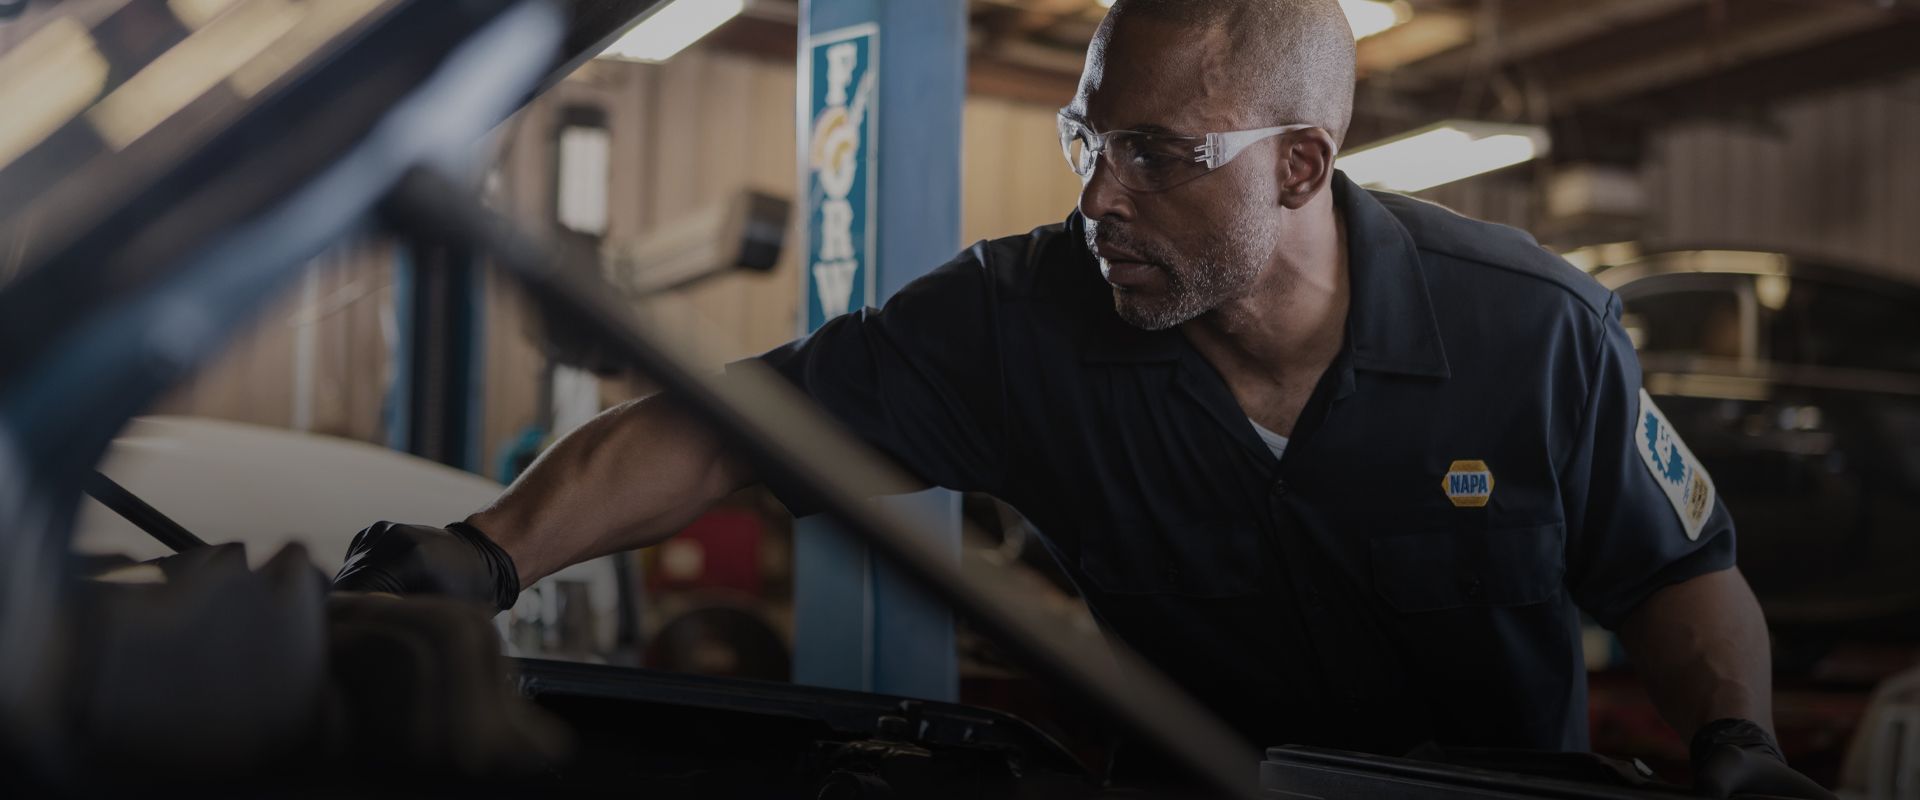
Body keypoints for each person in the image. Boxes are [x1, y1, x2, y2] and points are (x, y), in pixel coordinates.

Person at [334, 1, 1830, 796]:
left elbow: (1678, 576)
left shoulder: (1535, 331)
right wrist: (488, 553)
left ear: (1298, 167)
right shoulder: (1015, 323)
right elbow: (730, 431)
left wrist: (1740, 749)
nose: (1099, 194)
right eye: (1083, 136)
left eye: (1159, 154)